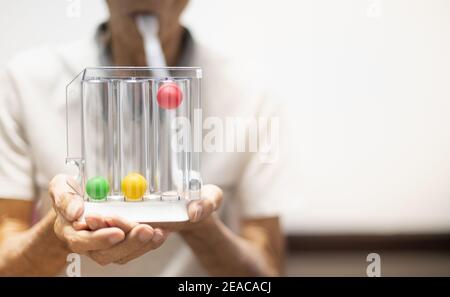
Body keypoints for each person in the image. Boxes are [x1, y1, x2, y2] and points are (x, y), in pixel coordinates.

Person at [0, 0, 284, 276]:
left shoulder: (249, 91)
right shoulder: (27, 81)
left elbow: (267, 273)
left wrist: (200, 225)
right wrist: (61, 231)